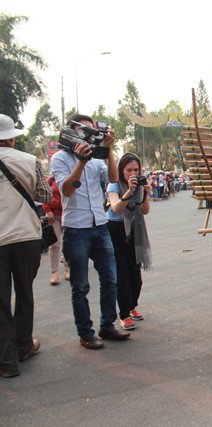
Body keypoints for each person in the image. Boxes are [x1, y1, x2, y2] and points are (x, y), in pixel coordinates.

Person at [50, 114, 130, 350]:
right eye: (84, 131)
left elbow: (114, 178)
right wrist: (81, 162)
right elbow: (66, 190)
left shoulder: (97, 158)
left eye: (92, 131)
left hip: (100, 226)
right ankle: (86, 332)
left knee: (110, 279)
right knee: (81, 286)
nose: (89, 136)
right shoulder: (60, 159)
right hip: (76, 229)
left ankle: (108, 325)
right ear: (71, 132)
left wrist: (109, 148)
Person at [0, 114, 52, 378]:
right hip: (26, 236)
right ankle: (23, 345)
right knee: (24, 292)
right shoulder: (29, 161)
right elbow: (45, 195)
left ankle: (7, 361)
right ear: (11, 138)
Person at [106, 153, 152, 331]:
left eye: (136, 169)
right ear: (121, 170)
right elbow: (116, 208)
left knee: (135, 274)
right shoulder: (114, 184)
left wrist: (145, 193)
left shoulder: (141, 184)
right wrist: (129, 191)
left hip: (135, 231)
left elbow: (145, 211)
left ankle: (132, 306)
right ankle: (124, 315)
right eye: (128, 170)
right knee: (122, 275)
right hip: (115, 230)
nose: (132, 173)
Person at [43, 175, 70, 284]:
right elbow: (45, 195)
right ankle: (54, 273)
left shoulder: (69, 177)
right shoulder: (50, 180)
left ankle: (67, 269)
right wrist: (48, 210)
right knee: (54, 244)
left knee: (68, 243)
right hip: (54, 215)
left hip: (68, 214)